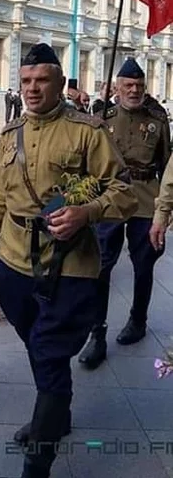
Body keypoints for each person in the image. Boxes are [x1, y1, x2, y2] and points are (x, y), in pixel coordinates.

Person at [0, 43, 136, 478]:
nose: (32, 89)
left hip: (70, 265)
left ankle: (37, 461)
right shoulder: (10, 136)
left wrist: (86, 212)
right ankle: (55, 413)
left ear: (61, 83)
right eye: (25, 81)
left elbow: (122, 190)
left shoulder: (87, 131)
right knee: (40, 349)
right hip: (13, 263)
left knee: (48, 353)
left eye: (41, 80)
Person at [78, 58, 170, 368]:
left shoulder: (158, 120)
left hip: (145, 199)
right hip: (111, 199)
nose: (135, 91)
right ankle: (97, 333)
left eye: (140, 86)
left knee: (144, 265)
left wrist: (166, 209)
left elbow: (166, 164)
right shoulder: (103, 117)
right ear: (117, 88)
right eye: (128, 86)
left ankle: (138, 320)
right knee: (101, 265)